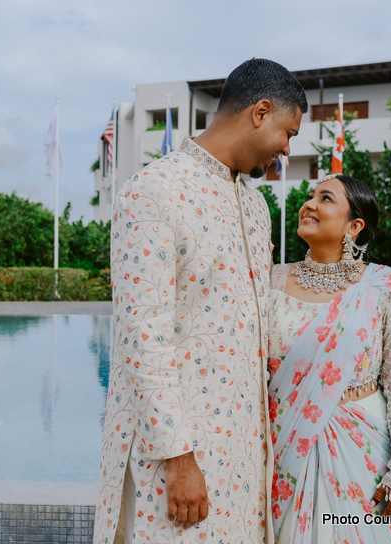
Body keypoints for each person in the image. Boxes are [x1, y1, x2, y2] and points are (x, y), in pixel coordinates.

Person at [93, 58, 308, 544]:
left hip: (244, 453)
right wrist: (178, 455)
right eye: (288, 133)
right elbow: (142, 334)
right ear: (261, 112)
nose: (286, 150)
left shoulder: (255, 205)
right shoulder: (154, 192)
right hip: (177, 458)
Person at [268, 174, 391, 543]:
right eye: (309, 196)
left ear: (354, 225)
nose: (310, 204)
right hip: (283, 446)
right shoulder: (270, 281)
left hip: (359, 447)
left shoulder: (381, 286)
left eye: (325, 198)